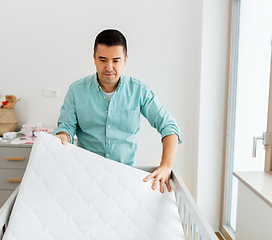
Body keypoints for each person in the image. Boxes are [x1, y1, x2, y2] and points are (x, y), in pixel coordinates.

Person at [53, 29, 181, 193]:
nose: (109, 67)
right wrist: (62, 137)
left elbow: (169, 126)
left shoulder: (138, 90)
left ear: (125, 60)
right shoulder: (76, 90)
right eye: (103, 60)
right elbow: (66, 127)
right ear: (94, 58)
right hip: (85, 175)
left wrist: (166, 165)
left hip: (125, 177)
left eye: (116, 60)